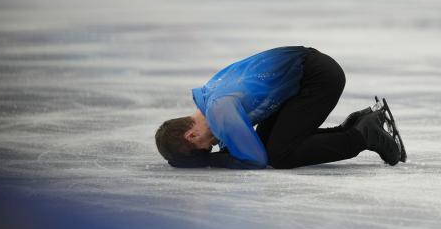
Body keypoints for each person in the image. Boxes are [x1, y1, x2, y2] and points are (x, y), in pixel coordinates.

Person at [155, 46, 406, 169]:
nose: (211, 145)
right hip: (307, 75)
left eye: (203, 147)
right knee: (271, 144)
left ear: (192, 134)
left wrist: (208, 161)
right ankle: (357, 124)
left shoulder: (220, 110)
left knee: (279, 156)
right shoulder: (210, 98)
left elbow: (255, 160)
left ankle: (364, 135)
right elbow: (240, 147)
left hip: (318, 79)